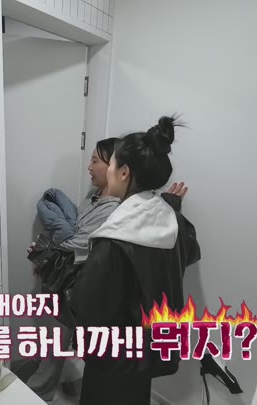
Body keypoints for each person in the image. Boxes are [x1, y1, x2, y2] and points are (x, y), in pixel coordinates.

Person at [68, 116, 201, 405]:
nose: (108, 170)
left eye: (112, 164)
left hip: (112, 358)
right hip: (148, 351)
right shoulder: (172, 220)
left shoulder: (114, 238)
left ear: (124, 172)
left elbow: (85, 307)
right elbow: (188, 253)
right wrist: (172, 206)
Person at [24, 138, 121, 400]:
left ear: (114, 167)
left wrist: (47, 253)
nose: (89, 166)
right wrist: (48, 258)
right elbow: (72, 232)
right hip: (67, 279)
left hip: (80, 288)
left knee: (60, 340)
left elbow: (77, 243)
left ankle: (37, 391)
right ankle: (43, 388)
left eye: (95, 161)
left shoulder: (113, 210)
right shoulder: (94, 198)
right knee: (56, 340)